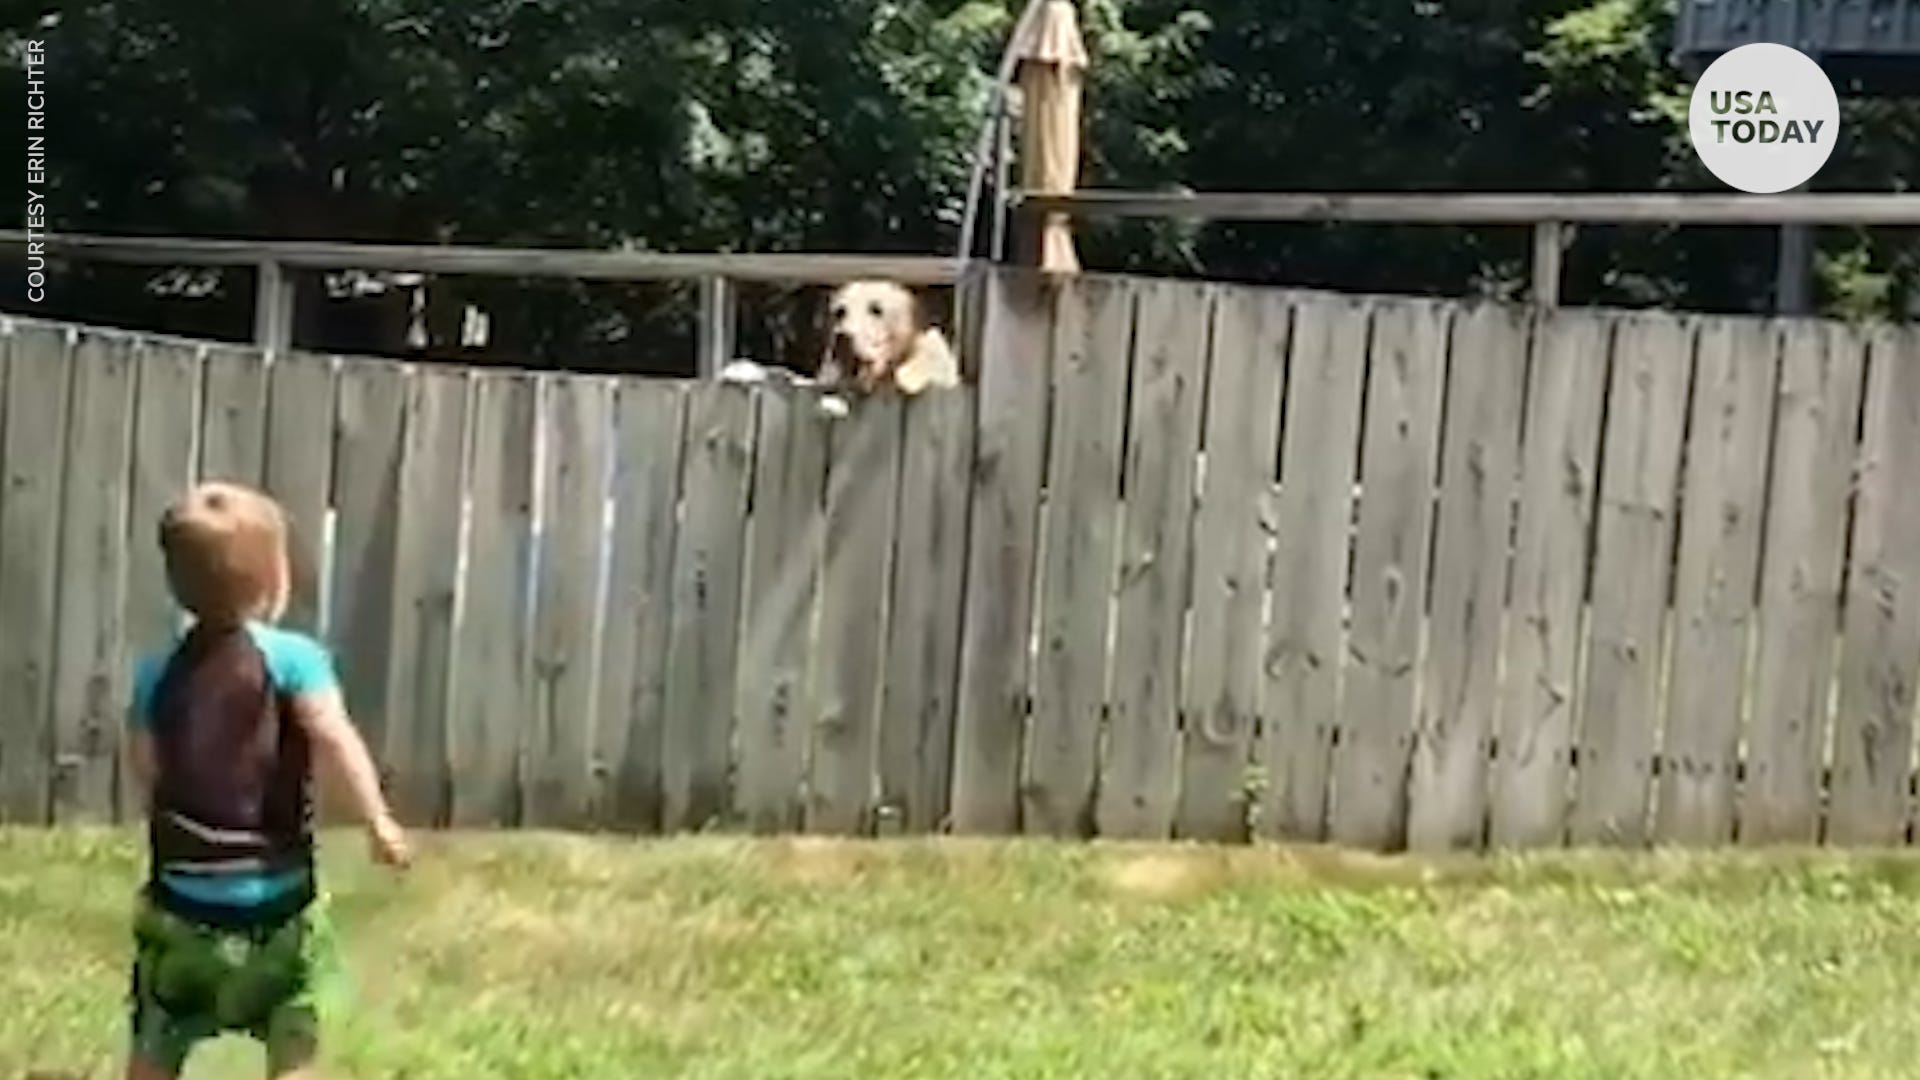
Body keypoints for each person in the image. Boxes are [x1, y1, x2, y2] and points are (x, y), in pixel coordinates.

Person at [122, 481, 412, 1080]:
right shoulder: (294, 660)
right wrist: (377, 819)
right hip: (276, 904)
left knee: (159, 1027)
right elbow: (334, 736)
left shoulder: (158, 671)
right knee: (294, 1020)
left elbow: (146, 765)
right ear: (273, 581)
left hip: (181, 905)